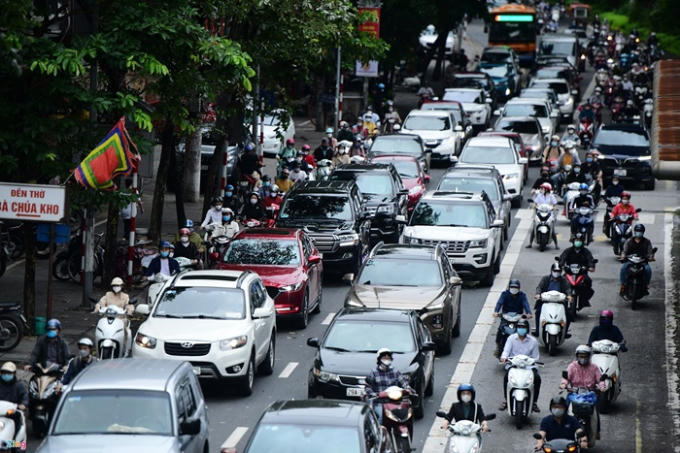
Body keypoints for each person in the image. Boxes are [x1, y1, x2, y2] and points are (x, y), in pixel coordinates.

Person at [560, 345, 604, 438]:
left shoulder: (594, 367)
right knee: (565, 407)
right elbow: (566, 377)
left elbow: (600, 379)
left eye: (585, 356)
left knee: (596, 409)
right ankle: (563, 428)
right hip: (574, 393)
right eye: (581, 356)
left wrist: (602, 386)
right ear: (577, 356)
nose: (583, 358)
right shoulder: (572, 366)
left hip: (589, 394)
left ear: (589, 356)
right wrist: (564, 384)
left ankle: (597, 431)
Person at [499, 318, 541, 413]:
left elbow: (535, 357)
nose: (521, 329)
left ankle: (534, 402)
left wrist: (532, 362)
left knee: (537, 379)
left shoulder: (533, 341)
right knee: (506, 378)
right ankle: (506, 399)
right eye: (519, 327)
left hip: (528, 367)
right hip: (514, 366)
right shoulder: (511, 338)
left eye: (523, 327)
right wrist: (504, 358)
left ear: (527, 329)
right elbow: (506, 351)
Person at [364, 348, 413, 421]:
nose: (387, 360)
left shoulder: (395, 371)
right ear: (379, 359)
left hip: (395, 401)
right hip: (380, 402)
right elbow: (368, 387)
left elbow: (404, 383)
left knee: (406, 415)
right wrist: (374, 394)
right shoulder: (374, 372)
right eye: (384, 358)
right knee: (380, 418)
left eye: (388, 358)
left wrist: (408, 389)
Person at [493, 280, 532, 357]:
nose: (514, 289)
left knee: (524, 328)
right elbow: (499, 303)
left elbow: (526, 304)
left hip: (518, 317)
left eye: (516, 287)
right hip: (506, 317)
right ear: (509, 287)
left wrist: (528, 313)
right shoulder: (504, 294)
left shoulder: (522, 295)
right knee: (500, 330)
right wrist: (496, 312)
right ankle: (498, 346)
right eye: (512, 287)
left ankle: (526, 346)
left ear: (519, 288)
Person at [534, 263, 572, 336]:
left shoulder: (564, 280)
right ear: (551, 271)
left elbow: (568, 289)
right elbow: (539, 287)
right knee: (538, 312)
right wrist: (538, 294)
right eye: (555, 271)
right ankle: (538, 330)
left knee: (568, 314)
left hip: (560, 302)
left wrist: (569, 295)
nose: (556, 273)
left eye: (558, 271)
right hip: (546, 301)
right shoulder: (545, 278)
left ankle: (565, 331)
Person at [559, 234, 596, 307]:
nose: (578, 242)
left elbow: (590, 259)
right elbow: (562, 258)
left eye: (579, 240)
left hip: (581, 273)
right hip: (569, 273)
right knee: (560, 282)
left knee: (588, 282)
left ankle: (584, 300)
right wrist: (561, 264)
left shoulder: (586, 252)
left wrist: (591, 266)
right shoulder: (568, 251)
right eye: (576, 240)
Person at [619, 224, 654, 295]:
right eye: (637, 231)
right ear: (635, 232)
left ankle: (646, 285)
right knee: (623, 268)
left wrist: (650, 257)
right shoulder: (629, 241)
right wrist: (623, 256)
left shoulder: (647, 242)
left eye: (640, 231)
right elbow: (624, 251)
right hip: (630, 261)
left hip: (642, 261)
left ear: (643, 232)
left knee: (648, 270)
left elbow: (650, 252)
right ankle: (623, 285)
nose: (639, 233)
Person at [527, 183, 559, 249]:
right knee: (534, 228)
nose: (541, 189)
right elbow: (535, 203)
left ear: (547, 189)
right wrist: (533, 206)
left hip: (549, 214)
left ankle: (556, 245)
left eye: (543, 188)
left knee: (552, 230)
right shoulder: (539, 196)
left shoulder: (551, 196)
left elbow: (555, 205)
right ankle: (530, 243)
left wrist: (554, 208)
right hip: (539, 213)